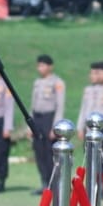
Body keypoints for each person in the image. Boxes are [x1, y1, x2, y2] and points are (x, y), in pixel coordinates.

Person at [28, 55, 65, 192]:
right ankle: (44, 182)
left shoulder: (57, 82)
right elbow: (32, 105)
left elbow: (60, 106)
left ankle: (53, 183)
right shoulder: (37, 82)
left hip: (50, 119)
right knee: (39, 152)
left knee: (50, 153)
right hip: (37, 119)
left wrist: (55, 127)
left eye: (43, 66)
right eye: (39, 66)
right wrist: (30, 125)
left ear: (50, 67)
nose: (40, 68)